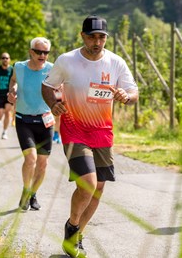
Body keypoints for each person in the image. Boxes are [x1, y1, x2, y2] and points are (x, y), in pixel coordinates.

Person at [41, 15, 138, 256]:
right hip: (74, 131)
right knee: (89, 183)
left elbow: (133, 91)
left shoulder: (116, 62)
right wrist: (54, 104)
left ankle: (75, 236)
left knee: (99, 189)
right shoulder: (67, 61)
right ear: (82, 36)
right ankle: (72, 225)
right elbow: (47, 86)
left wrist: (126, 97)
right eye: (92, 36)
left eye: (101, 37)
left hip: (103, 133)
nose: (97, 42)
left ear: (106, 38)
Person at [7, 37, 54, 212]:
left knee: (43, 164)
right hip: (23, 120)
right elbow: (13, 82)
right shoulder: (19, 67)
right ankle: (26, 191)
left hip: (45, 121)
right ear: (31, 52)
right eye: (39, 52)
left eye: (46, 52)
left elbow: (60, 89)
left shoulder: (52, 69)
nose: (43, 55)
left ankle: (32, 194)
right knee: (31, 159)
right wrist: (12, 92)